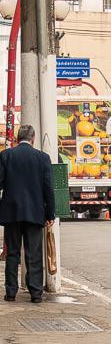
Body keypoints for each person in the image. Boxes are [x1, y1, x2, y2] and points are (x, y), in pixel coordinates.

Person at [0, 125, 55, 304]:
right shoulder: (42, 158)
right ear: (33, 139)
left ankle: (10, 292)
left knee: (12, 253)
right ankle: (36, 293)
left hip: (11, 213)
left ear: (17, 138)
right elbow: (48, 189)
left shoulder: (6, 156)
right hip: (35, 212)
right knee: (34, 254)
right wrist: (50, 214)